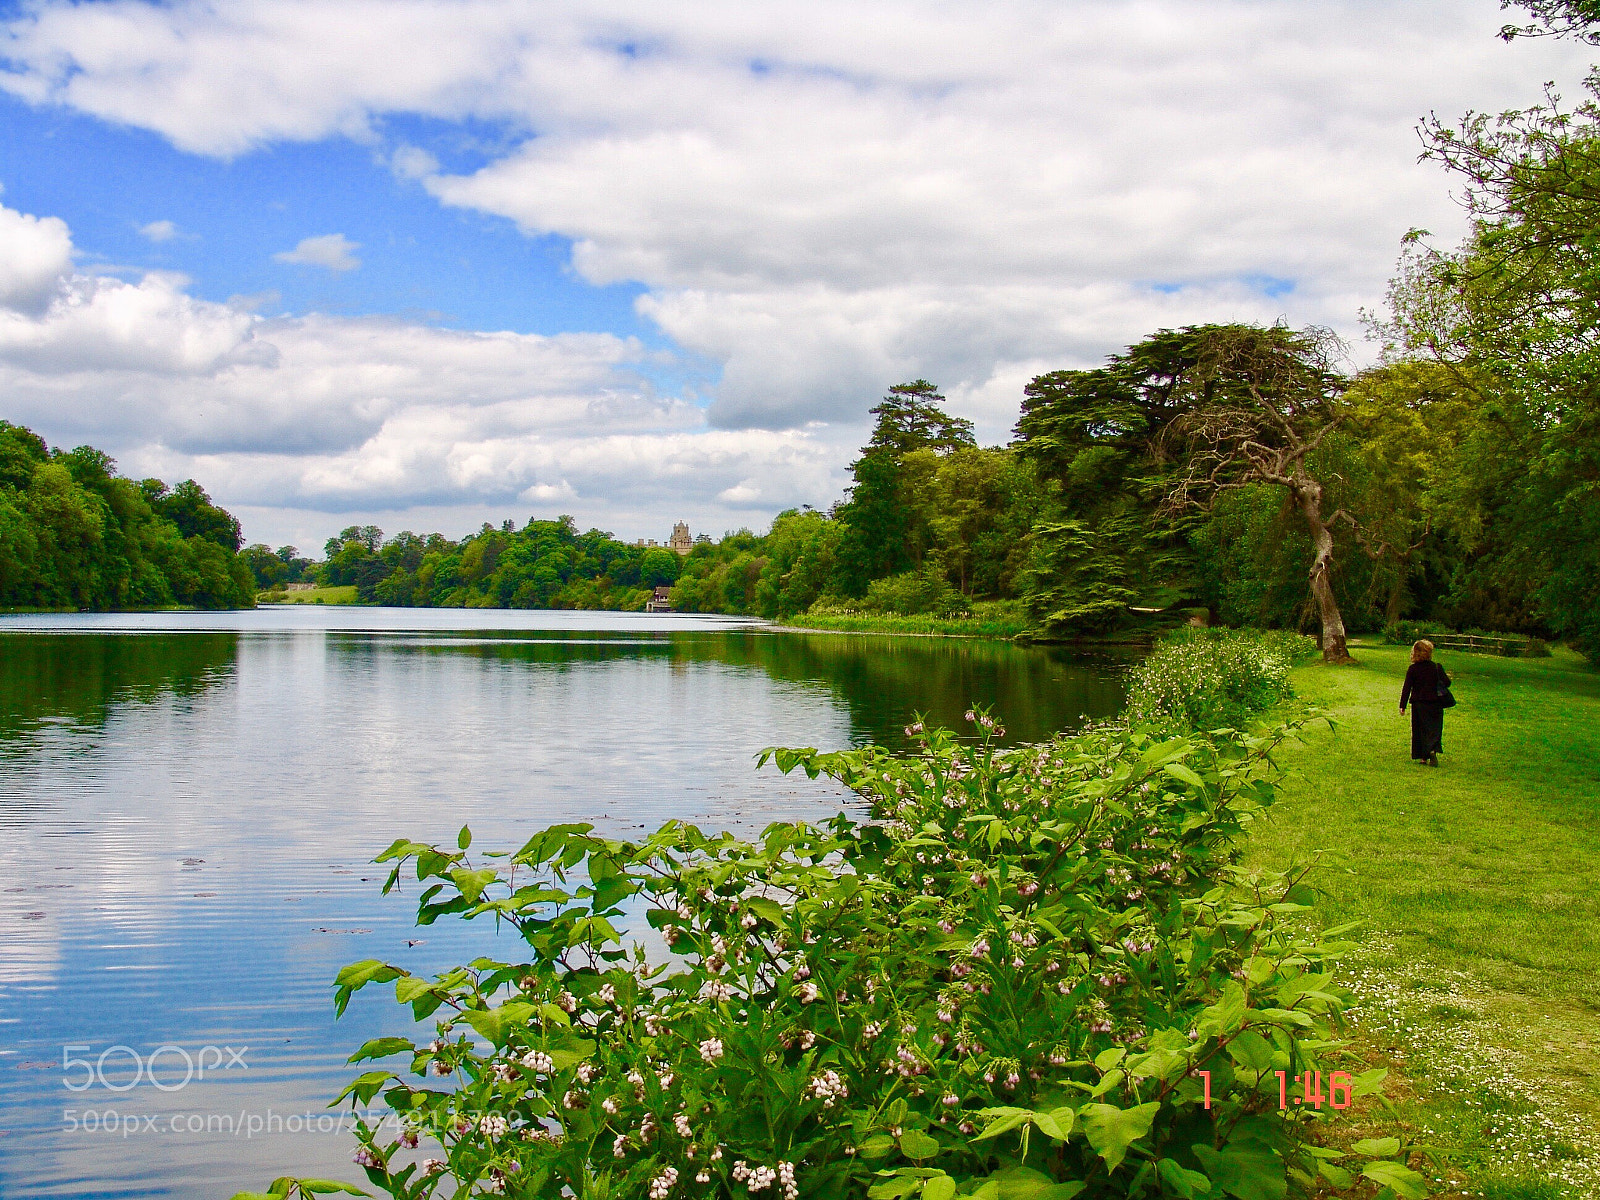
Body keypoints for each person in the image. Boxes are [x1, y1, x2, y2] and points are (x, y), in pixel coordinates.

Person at [1399, 639, 1451, 766]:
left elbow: (1407, 687)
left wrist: (1402, 705)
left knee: (1419, 729)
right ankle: (1433, 749)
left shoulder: (1413, 669)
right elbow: (1447, 683)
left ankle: (1423, 757)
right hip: (1435, 703)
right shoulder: (1436, 667)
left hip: (1419, 703)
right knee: (1434, 728)